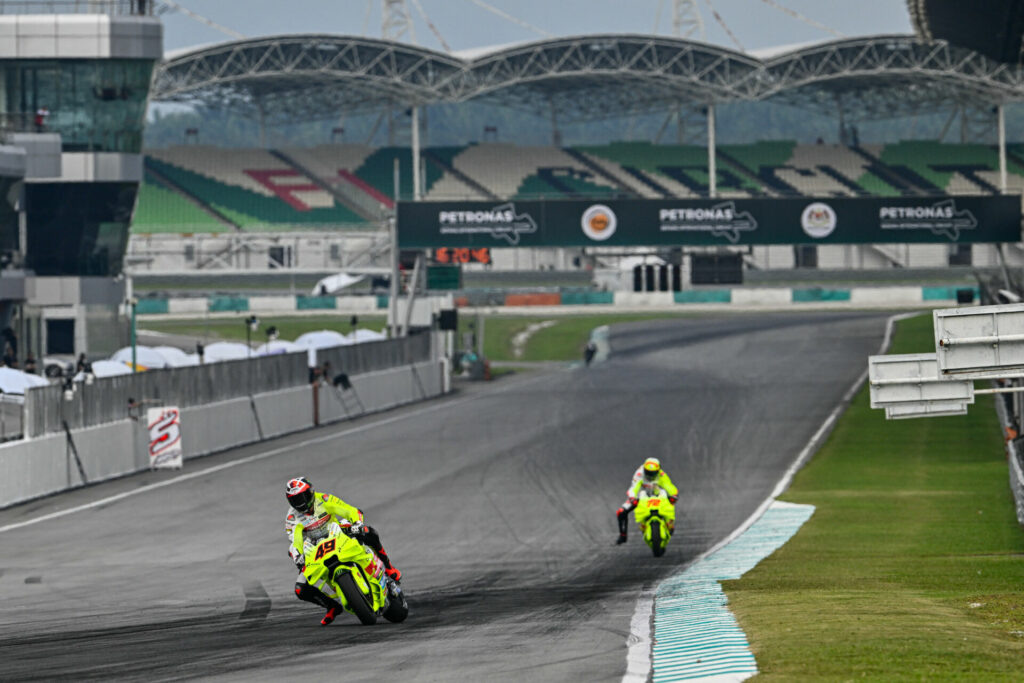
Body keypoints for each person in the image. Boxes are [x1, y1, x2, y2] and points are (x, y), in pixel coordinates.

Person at [284, 477, 402, 625]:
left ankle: (389, 568)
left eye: (303, 496)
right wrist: (297, 556)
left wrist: (357, 523)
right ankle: (332, 606)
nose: (300, 502)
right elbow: (296, 541)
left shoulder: (324, 499)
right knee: (300, 589)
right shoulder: (292, 517)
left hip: (338, 534)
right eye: (295, 500)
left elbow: (349, 510)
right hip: (316, 550)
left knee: (368, 532)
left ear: (311, 492)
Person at [615, 457, 678, 545]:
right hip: (640, 495)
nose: (650, 475)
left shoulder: (661, 474)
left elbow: (669, 485)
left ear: (658, 470)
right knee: (621, 512)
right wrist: (632, 498)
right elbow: (634, 488)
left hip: (657, 493)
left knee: (670, 502)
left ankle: (669, 523)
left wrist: (674, 494)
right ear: (644, 469)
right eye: (648, 472)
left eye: (653, 473)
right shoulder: (639, 473)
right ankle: (623, 535)